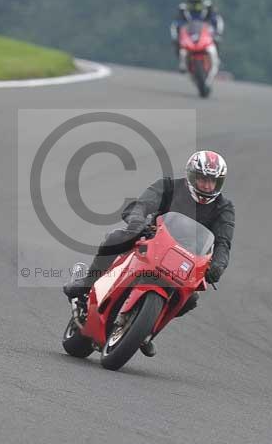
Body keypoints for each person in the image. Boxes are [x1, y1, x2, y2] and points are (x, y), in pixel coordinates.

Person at [63, 150, 234, 356]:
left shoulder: (224, 207)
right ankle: (86, 284)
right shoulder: (169, 186)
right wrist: (137, 222)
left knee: (191, 299)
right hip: (154, 239)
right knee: (115, 238)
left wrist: (218, 265)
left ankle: (147, 331)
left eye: (213, 181)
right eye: (203, 179)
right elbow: (142, 204)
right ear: (192, 175)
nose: (207, 185)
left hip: (188, 260)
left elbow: (224, 242)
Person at [170, 0, 225, 72]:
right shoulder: (183, 10)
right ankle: (182, 62)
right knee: (177, 43)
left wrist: (217, 32)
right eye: (192, 2)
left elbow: (217, 20)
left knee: (216, 40)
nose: (195, 5)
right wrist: (176, 36)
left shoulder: (208, 8)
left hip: (205, 34)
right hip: (189, 34)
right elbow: (176, 24)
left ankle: (217, 58)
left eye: (198, 2)